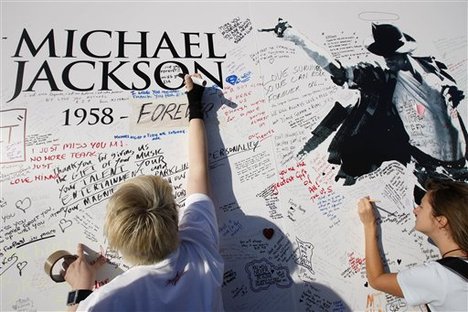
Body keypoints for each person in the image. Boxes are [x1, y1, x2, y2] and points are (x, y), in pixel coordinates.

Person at [62, 73, 225, 311]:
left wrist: (79, 291)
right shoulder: (199, 249)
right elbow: (199, 171)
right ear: (174, 216)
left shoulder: (108, 299)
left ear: (120, 245)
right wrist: (195, 103)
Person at [264, 20, 467, 185]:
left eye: (392, 53)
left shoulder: (431, 67)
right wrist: (297, 38)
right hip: (427, 168)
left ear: (405, 51)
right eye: (384, 54)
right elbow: (339, 71)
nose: (388, 59)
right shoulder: (381, 77)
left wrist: (451, 92)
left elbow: (449, 91)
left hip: (462, 164)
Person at [358, 179, 468, 311]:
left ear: (441, 220)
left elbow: (377, 279)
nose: (415, 210)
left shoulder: (438, 276)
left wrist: (369, 225)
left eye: (421, 206)